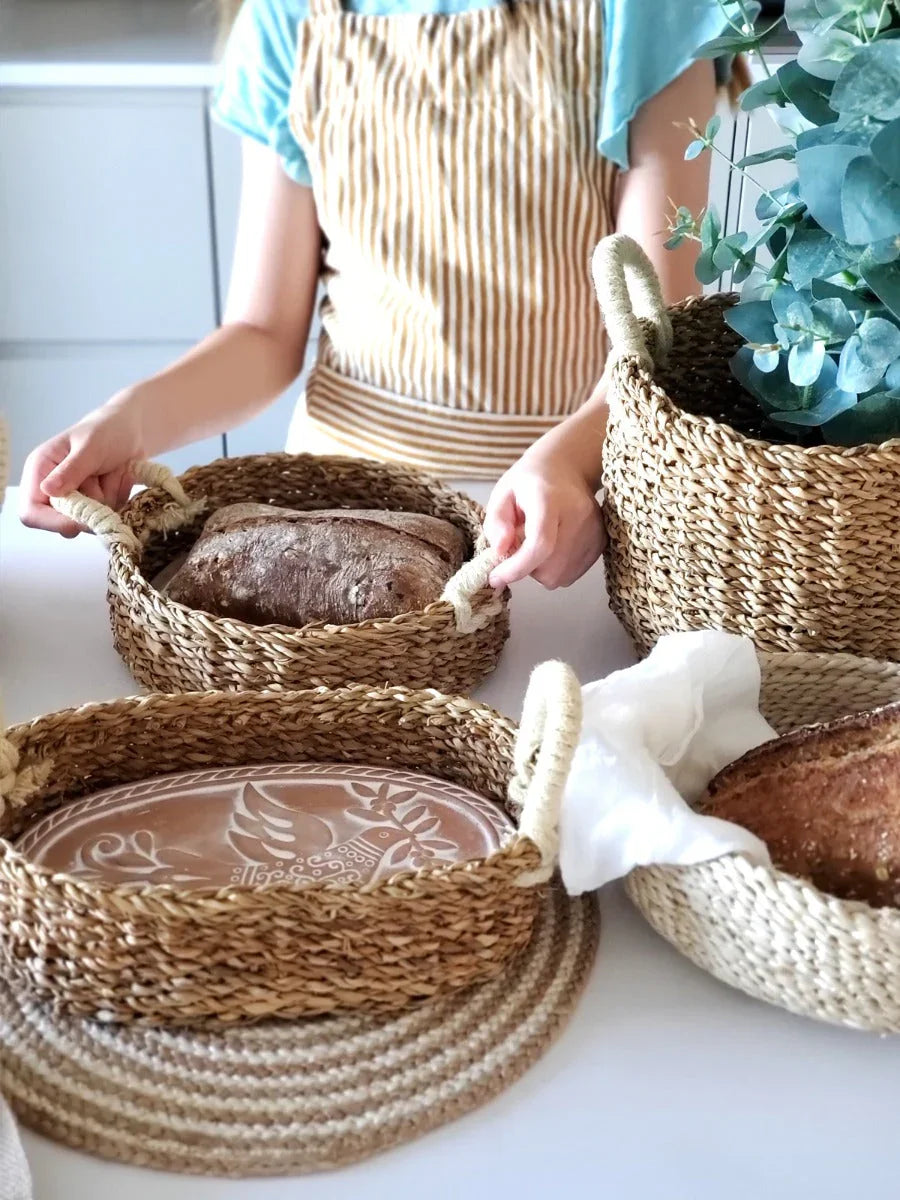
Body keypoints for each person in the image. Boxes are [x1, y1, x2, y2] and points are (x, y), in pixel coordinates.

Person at [19, 0, 732, 590]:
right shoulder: (290, 18)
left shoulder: (643, 12)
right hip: (335, 511)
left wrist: (574, 464)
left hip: (563, 517)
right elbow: (264, 335)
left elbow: (655, 337)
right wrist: (128, 422)